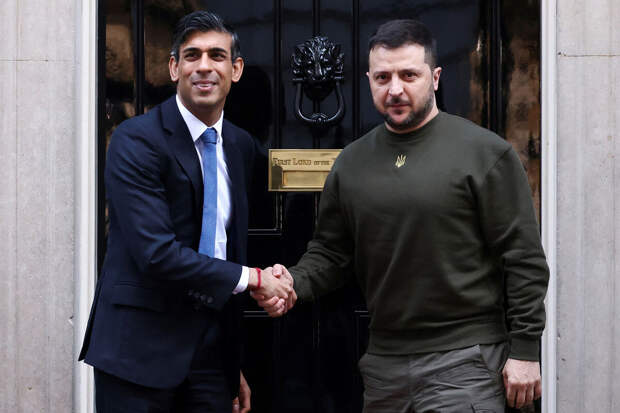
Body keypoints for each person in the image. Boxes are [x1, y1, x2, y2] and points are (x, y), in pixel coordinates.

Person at [256, 19, 549, 412]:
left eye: (409, 75)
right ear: (369, 80)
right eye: (383, 77)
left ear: (435, 77)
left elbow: (523, 258)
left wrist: (526, 349)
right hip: (384, 367)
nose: (394, 89)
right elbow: (332, 252)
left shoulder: (485, 154)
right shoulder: (351, 163)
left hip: (466, 363)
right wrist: (293, 282)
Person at [79, 11, 291, 413]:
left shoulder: (240, 147)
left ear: (236, 69)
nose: (204, 66)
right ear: (174, 68)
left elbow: (228, 246)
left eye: (217, 55)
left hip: (211, 359)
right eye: (192, 55)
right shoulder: (135, 140)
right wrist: (255, 278)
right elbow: (156, 253)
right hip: (137, 355)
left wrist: (232, 364)